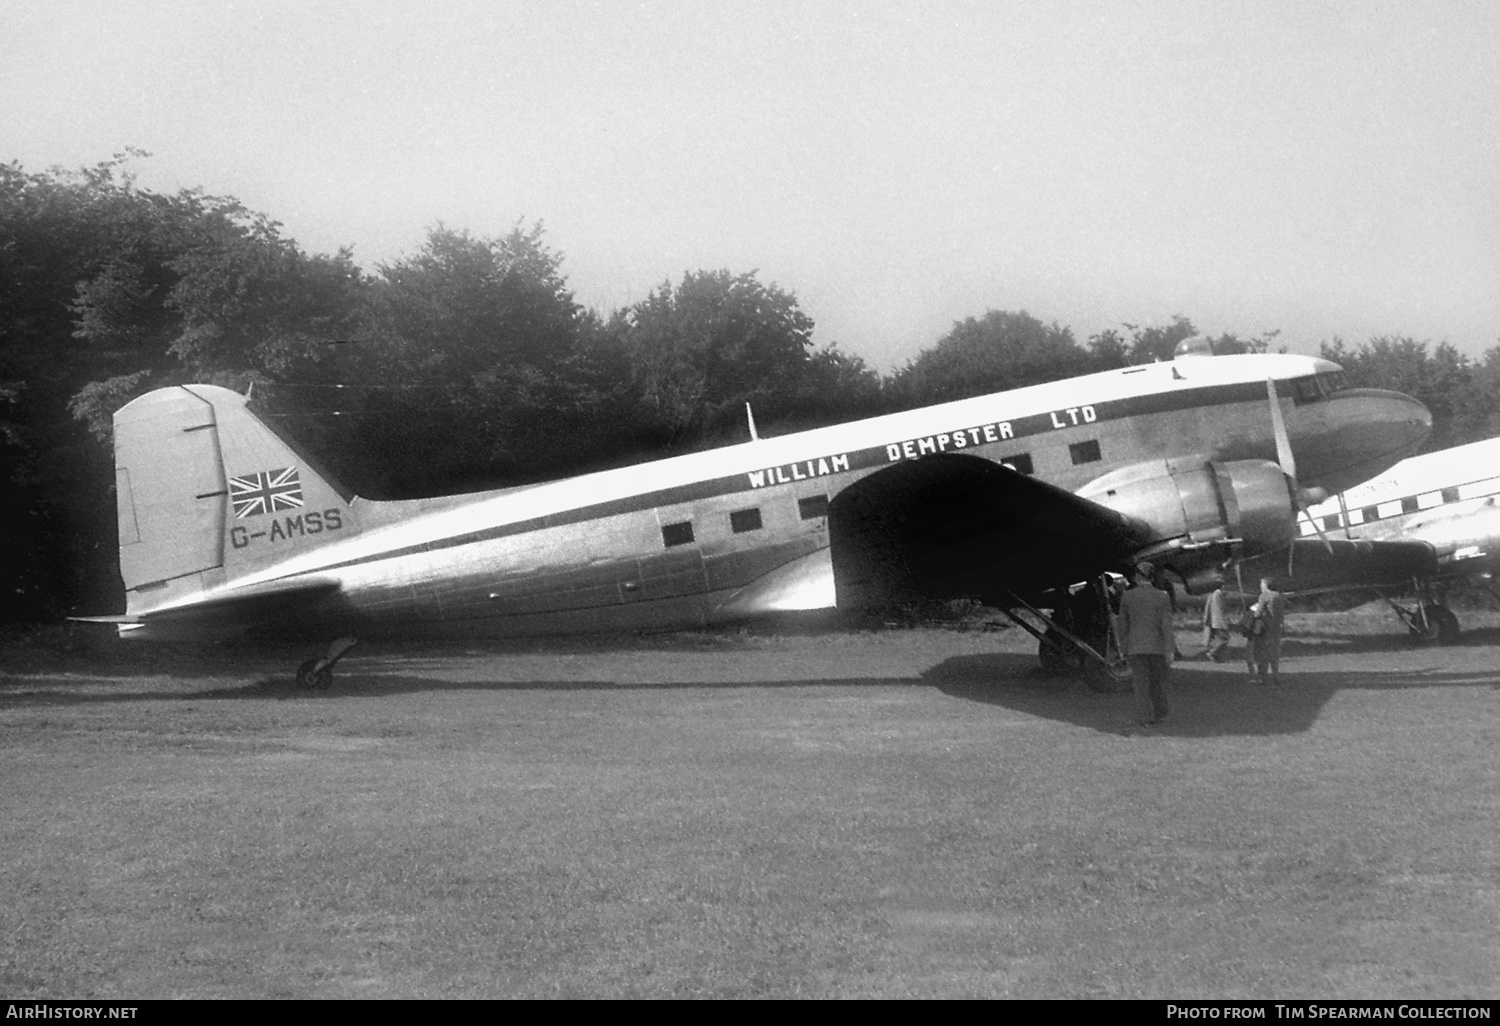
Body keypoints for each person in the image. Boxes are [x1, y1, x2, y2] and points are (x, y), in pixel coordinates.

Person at [1116, 561, 1174, 726]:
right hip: (1157, 648)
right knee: (1156, 682)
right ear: (1153, 577)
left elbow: (1122, 625)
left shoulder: (1128, 596)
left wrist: (1123, 647)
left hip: (1135, 647)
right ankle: (1160, 712)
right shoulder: (1163, 596)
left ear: (1137, 577)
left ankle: (1145, 718)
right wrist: (1169, 650)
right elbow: (1166, 625)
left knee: (1141, 685)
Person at [1247, 576, 1286, 685]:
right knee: (1274, 652)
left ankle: (1262, 677)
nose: (1260, 587)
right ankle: (1276, 675)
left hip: (1266, 628)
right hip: (1277, 627)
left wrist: (1253, 611)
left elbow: (1258, 613)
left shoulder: (1264, 596)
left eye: (1261, 585)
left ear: (1266, 585)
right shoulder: (1279, 596)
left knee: (1263, 652)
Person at [1201, 577, 1231, 662]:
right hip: (1219, 621)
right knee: (1224, 639)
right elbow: (1221, 609)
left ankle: (1217, 657)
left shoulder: (1213, 594)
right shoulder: (1218, 594)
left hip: (1215, 621)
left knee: (1219, 639)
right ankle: (1213, 652)